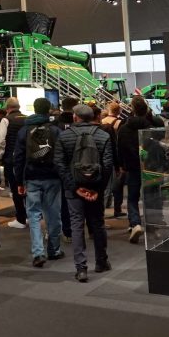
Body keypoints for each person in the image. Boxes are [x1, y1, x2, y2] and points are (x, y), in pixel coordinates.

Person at [54, 104, 114, 283]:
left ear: (75, 117)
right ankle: (101, 261)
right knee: (98, 223)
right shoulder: (104, 135)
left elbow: (59, 164)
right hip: (95, 188)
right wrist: (98, 188)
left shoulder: (64, 136)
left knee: (77, 225)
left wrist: (74, 187)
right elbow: (108, 164)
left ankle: (81, 268)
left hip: (74, 191)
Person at [13, 98, 64, 267]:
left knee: (34, 216)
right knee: (53, 214)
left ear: (34, 109)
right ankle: (54, 250)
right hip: (52, 177)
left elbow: (18, 158)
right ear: (48, 109)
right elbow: (61, 156)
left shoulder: (24, 130)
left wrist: (19, 181)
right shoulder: (56, 130)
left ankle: (38, 253)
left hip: (32, 177)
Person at [115, 96, 154, 243]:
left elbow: (120, 149)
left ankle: (135, 223)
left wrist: (121, 165)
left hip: (131, 167)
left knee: (132, 198)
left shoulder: (124, 128)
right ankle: (152, 225)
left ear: (132, 109)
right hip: (148, 167)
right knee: (150, 197)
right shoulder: (150, 127)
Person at [0, 97, 27, 229]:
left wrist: (0, 155)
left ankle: (20, 219)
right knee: (27, 189)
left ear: (8, 108)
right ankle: (30, 216)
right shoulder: (27, 118)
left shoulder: (6, 120)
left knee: (15, 189)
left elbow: (0, 140)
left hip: (12, 159)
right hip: (27, 158)